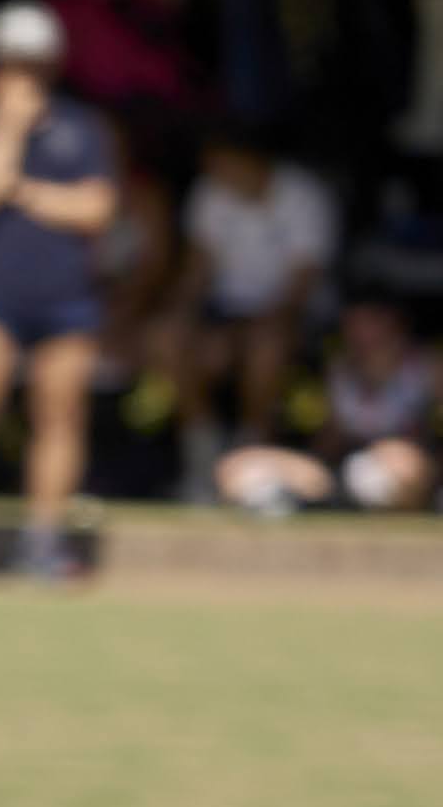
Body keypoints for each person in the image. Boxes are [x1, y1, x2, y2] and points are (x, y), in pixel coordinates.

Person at [0, 0, 121, 580]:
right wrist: (8, 128)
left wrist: (25, 190)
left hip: (67, 298)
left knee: (59, 415)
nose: (24, 72)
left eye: (34, 61)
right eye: (13, 60)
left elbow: (97, 210)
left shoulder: (85, 128)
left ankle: (43, 541)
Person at [176, 126, 337, 466]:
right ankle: (200, 447)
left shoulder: (302, 195)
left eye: (220, 164)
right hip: (224, 312)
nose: (214, 173)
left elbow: (303, 281)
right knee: (166, 337)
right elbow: (199, 268)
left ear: (249, 159)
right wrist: (180, 313)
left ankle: (253, 447)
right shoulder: (210, 192)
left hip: (293, 314)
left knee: (266, 346)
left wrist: (245, 334)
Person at [214, 297, 434, 516]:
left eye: (371, 324)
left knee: (404, 467)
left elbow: (418, 453)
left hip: (399, 468)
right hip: (338, 474)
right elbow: (327, 447)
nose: (360, 335)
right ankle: (292, 500)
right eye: (353, 325)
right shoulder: (338, 369)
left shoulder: (427, 369)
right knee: (232, 468)